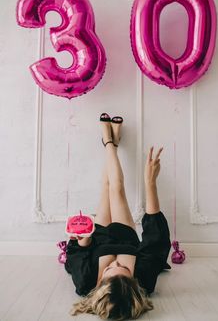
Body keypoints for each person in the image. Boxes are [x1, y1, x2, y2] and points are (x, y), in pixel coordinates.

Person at [64, 113, 171, 320]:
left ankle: (110, 142)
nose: (115, 264)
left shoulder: (86, 282)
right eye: (123, 268)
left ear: (97, 286)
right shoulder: (145, 280)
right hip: (125, 236)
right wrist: (150, 184)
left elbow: (76, 253)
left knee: (106, 187)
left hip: (100, 237)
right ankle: (110, 141)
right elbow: (155, 239)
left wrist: (84, 241)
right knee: (118, 188)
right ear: (134, 283)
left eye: (109, 270)